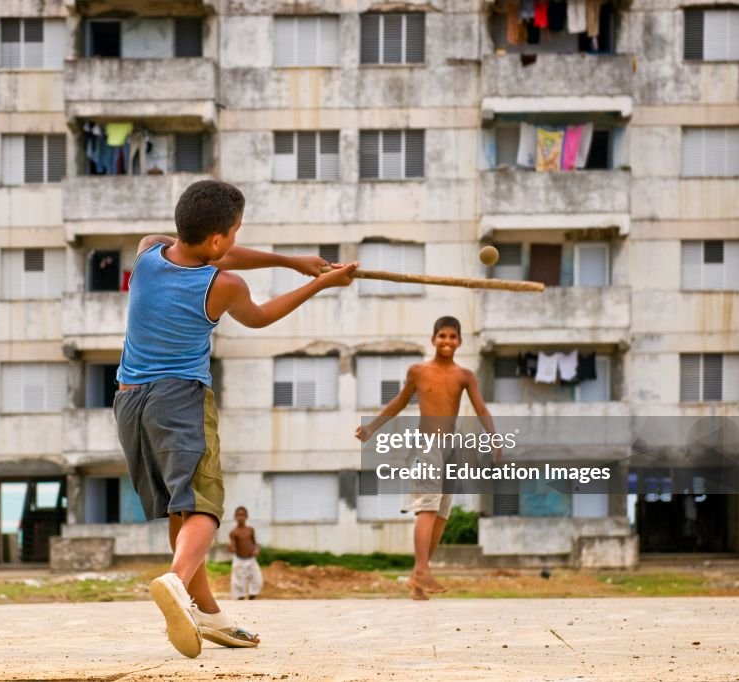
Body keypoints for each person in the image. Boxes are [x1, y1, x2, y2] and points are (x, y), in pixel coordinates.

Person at [114, 180, 358, 658]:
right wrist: (319, 283)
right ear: (219, 238)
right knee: (205, 507)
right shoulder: (222, 285)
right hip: (179, 399)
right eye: (234, 231)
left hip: (129, 401)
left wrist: (291, 261)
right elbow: (261, 316)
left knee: (179, 509)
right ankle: (177, 584)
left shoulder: (147, 253)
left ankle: (207, 613)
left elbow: (215, 251)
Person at [355, 316, 500, 600]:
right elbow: (398, 402)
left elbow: (481, 408)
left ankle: (419, 581)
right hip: (426, 447)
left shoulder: (464, 375)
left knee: (442, 515)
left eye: (452, 337)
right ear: (433, 339)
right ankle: (421, 570)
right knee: (428, 509)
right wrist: (371, 427)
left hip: (451, 449)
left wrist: (493, 436)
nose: (447, 341)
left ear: (459, 341)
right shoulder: (418, 371)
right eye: (442, 336)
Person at [228, 506, 263, 600]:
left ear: (247, 516)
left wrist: (256, 550)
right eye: (238, 515)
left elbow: (256, 543)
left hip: (251, 558)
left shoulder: (250, 530)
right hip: (239, 558)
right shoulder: (233, 532)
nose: (241, 517)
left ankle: (253, 594)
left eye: (243, 515)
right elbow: (232, 545)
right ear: (235, 517)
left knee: (256, 577)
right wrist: (231, 548)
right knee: (238, 579)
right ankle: (240, 596)